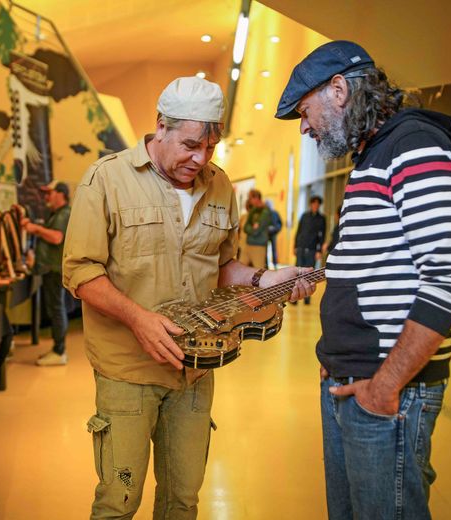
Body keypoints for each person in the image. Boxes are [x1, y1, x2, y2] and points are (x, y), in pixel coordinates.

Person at [63, 76, 315, 519]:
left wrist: (265, 278)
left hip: (196, 372)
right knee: (118, 503)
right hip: (128, 371)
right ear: (161, 126)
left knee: (183, 501)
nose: (199, 159)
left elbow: (220, 266)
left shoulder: (219, 186)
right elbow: (80, 272)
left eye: (209, 148)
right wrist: (139, 319)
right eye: (189, 145)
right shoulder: (107, 179)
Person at [276, 40, 451, 519]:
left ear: (339, 90)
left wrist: (384, 386)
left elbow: (448, 277)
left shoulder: (414, 145)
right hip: (351, 381)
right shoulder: (373, 156)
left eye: (305, 112)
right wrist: (311, 279)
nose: (304, 129)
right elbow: (382, 259)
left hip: (388, 392)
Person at [21, 181, 72, 366]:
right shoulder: (57, 214)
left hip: (55, 269)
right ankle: (58, 349)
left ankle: (59, 351)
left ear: (61, 194)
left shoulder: (64, 214)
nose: (46, 197)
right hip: (51, 268)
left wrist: (35, 229)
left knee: (57, 309)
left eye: (49, 193)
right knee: (56, 308)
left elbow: (56, 237)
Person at [293, 195, 326, 304]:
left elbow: (322, 236)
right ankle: (295, 298)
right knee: (297, 274)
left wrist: (319, 251)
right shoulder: (304, 216)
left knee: (309, 275)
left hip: (312, 250)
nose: (315, 206)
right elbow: (299, 232)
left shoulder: (321, 219)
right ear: (311, 204)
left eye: (318, 204)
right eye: (314, 203)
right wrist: (295, 246)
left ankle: (307, 298)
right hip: (301, 248)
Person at [242, 189, 271, 268]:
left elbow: (257, 231)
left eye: (250, 198)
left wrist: (250, 229)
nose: (249, 201)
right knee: (241, 268)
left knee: (258, 271)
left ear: (257, 198)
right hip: (248, 244)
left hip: (259, 246)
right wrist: (252, 228)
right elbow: (245, 227)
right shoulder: (253, 210)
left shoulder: (265, 211)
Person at [266, 199, 283, 267]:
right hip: (265, 234)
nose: (268, 206)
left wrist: (275, 229)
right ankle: (265, 264)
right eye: (267, 205)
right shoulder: (264, 214)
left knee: (274, 249)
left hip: (273, 234)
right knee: (265, 250)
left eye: (269, 205)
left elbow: (280, 224)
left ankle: (275, 264)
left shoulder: (275, 213)